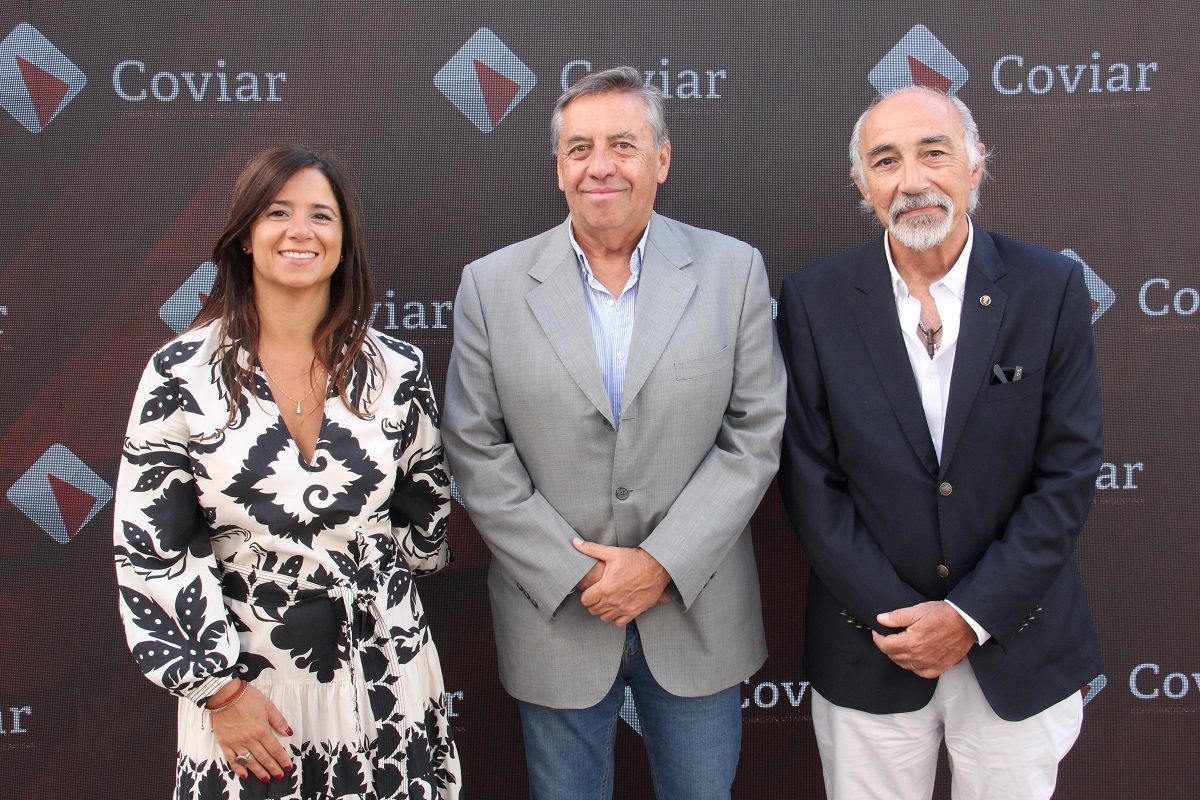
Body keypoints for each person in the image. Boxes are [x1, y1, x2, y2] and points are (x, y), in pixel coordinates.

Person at [442, 66, 785, 799]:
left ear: (661, 159)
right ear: (558, 168)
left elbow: (754, 434)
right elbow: (475, 447)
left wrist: (660, 563)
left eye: (623, 145)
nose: (600, 165)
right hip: (557, 616)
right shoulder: (490, 286)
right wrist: (582, 575)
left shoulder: (733, 272)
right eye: (580, 148)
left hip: (696, 611)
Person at [776, 85, 1104, 799]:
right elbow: (811, 483)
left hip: (1017, 643)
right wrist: (903, 622)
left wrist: (969, 616)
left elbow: (1069, 473)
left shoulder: (1049, 288)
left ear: (975, 162)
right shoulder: (813, 301)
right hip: (870, 647)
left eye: (934, 153)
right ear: (862, 183)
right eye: (886, 161)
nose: (912, 180)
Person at [113, 145, 461, 799]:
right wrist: (217, 690)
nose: (300, 231)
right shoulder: (180, 376)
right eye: (277, 212)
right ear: (246, 235)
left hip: (387, 674)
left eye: (321, 216)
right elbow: (151, 551)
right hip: (248, 691)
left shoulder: (398, 371)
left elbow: (426, 518)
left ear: (344, 240)